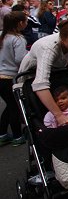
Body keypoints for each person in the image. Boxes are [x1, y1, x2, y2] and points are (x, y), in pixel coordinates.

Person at [18, 18, 68, 126]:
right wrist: (59, 115)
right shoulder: (48, 48)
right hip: (30, 77)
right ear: (62, 37)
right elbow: (39, 85)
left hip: (52, 74)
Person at [0, 11, 28, 146]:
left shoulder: (2, 35)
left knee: (9, 106)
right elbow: (20, 59)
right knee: (15, 107)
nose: (27, 23)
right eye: (26, 21)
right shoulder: (18, 39)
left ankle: (2, 133)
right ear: (20, 24)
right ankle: (17, 136)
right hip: (10, 77)